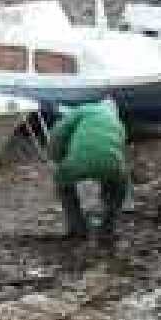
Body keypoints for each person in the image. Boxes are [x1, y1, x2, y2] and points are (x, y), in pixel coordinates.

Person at [46, 97, 129, 246]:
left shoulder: (84, 109)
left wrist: (56, 158)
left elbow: (58, 133)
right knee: (117, 184)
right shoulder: (118, 124)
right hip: (112, 165)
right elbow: (118, 152)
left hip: (77, 162)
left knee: (62, 182)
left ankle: (78, 227)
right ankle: (107, 229)